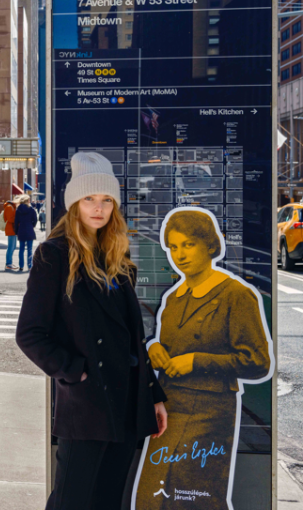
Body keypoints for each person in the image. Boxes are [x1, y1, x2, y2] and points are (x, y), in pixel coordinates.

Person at [15, 152, 168, 510]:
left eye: (106, 201)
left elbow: (134, 340)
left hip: (127, 401)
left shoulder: (119, 259)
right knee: (71, 501)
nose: (98, 208)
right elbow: (30, 333)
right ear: (74, 204)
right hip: (87, 406)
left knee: (107, 501)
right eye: (89, 199)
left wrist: (153, 395)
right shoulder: (53, 255)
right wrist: (74, 372)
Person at [135, 208, 273, 509]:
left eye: (188, 244)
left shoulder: (235, 295)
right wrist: (153, 348)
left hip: (210, 413)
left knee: (194, 497)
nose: (179, 254)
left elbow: (258, 361)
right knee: (152, 499)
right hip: (169, 409)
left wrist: (197, 361)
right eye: (172, 247)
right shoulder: (174, 297)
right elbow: (171, 346)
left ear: (209, 245)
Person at [14, 194, 38, 272]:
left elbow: (16, 221)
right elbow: (35, 219)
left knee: (21, 249)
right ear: (27, 201)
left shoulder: (18, 210)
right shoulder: (31, 210)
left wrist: (16, 231)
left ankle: (21, 266)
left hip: (21, 230)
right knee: (30, 249)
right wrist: (32, 225)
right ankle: (29, 266)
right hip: (29, 230)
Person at [3, 198, 18, 271]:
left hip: (12, 229)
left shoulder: (12, 207)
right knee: (11, 247)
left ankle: (9, 263)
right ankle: (8, 263)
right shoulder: (9, 207)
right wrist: (18, 219)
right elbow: (10, 219)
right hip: (11, 229)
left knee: (13, 247)